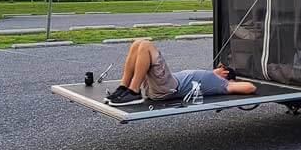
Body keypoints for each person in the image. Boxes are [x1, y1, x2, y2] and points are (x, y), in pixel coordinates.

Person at [104, 38, 256, 106]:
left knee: (146, 45)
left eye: (222, 68)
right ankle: (124, 87)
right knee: (138, 43)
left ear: (225, 73)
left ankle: (134, 91)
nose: (218, 68)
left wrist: (231, 83)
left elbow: (251, 87)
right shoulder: (211, 76)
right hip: (159, 86)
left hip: (166, 88)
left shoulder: (221, 84)